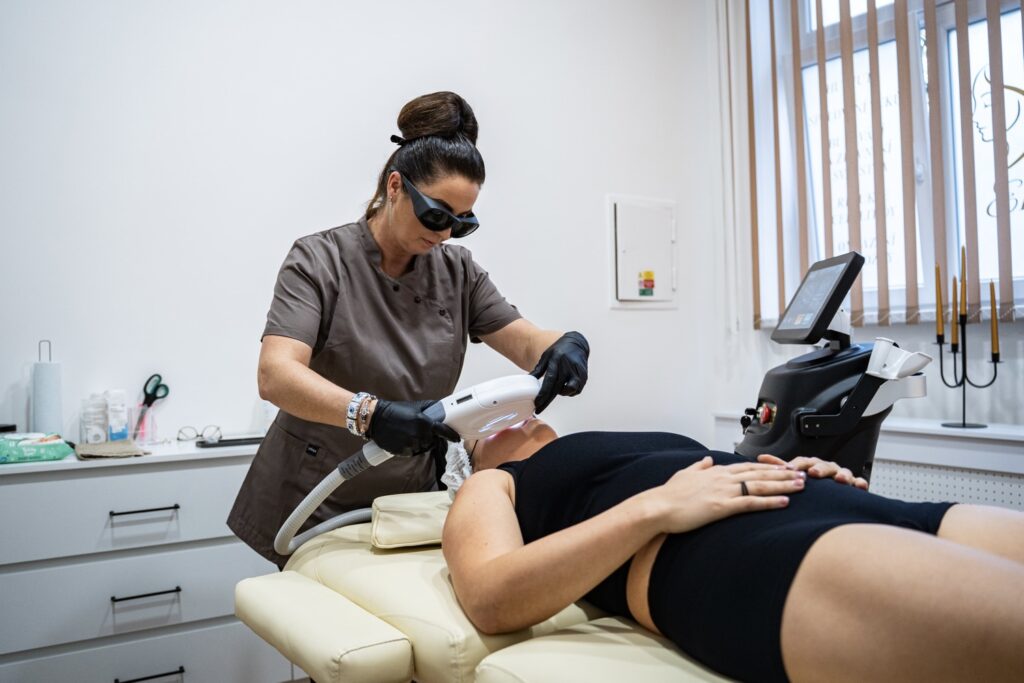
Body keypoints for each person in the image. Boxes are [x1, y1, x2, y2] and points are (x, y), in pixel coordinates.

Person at [228, 92, 590, 569]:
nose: (444, 234)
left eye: (462, 223)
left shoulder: (457, 272)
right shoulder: (319, 260)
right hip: (316, 493)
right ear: (395, 186)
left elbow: (524, 339)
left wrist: (563, 344)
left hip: (409, 498)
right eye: (436, 214)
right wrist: (370, 415)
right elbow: (276, 374)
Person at [443, 419, 1024, 683]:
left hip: (835, 503)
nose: (508, 419)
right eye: (484, 428)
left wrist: (799, 471)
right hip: (734, 551)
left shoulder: (618, 436)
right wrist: (656, 507)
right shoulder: (494, 483)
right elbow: (491, 597)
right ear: (473, 455)